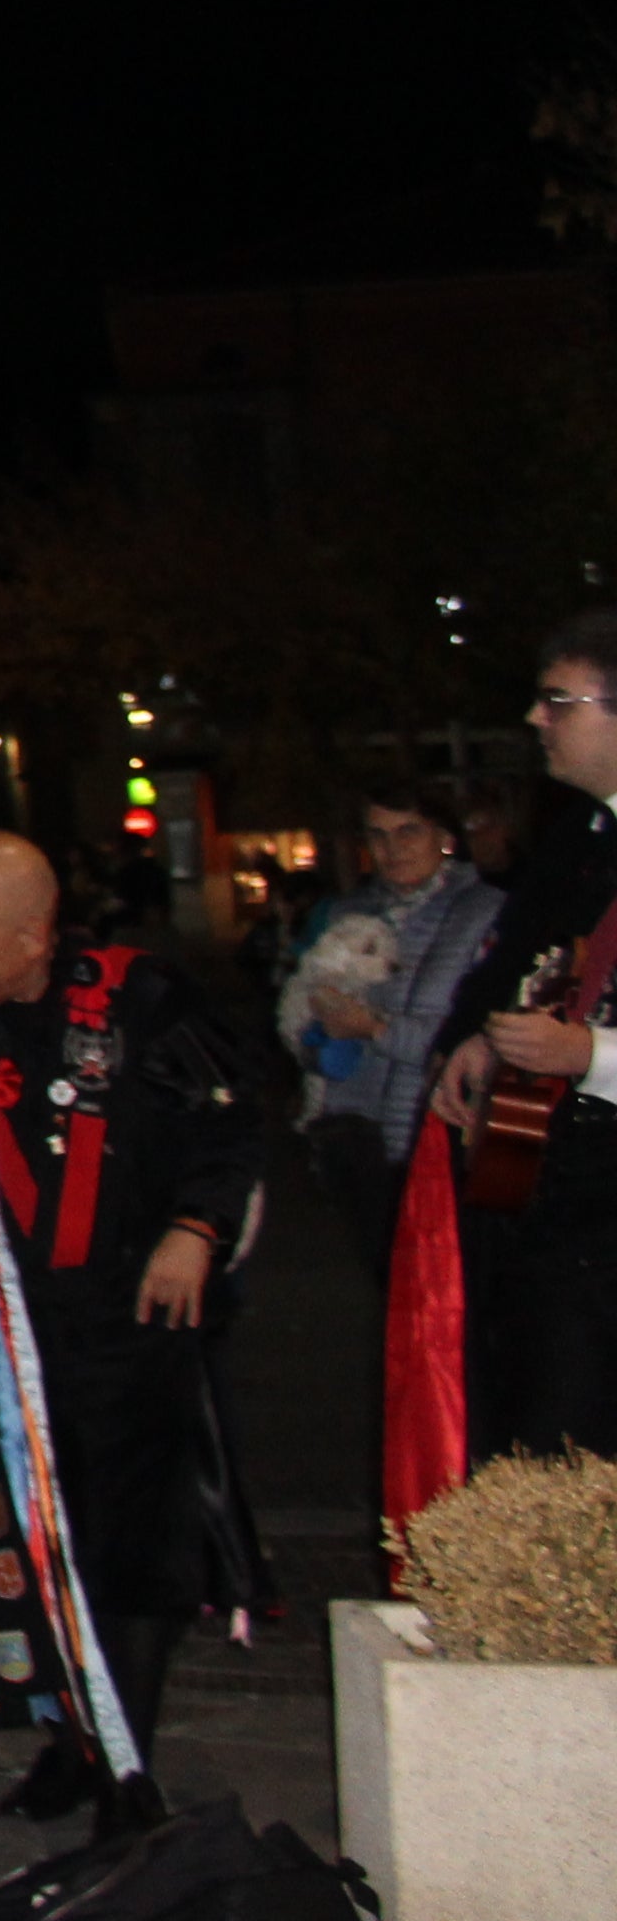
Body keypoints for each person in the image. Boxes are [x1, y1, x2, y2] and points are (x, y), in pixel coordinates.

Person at [0, 835, 286, 1839]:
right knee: (39, 1538)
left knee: (135, 1546)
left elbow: (234, 1120)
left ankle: (129, 1762)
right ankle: (73, 1742)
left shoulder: (139, 996)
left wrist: (196, 1230)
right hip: (15, 1322)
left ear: (34, 932)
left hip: (136, 1310)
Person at [422, 621, 617, 1466]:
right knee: (534, 1414)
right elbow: (516, 960)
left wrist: (591, 1057)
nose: (536, 720)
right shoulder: (579, 837)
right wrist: (475, 1039)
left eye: (558, 701)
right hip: (548, 1178)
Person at [297, 780, 495, 1272]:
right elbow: (299, 1019)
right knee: (386, 1287)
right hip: (356, 1139)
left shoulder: (486, 912)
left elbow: (484, 1039)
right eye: (378, 835)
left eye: (409, 831)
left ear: (444, 837)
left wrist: (376, 1028)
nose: (392, 848)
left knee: (445, 1301)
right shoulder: (346, 912)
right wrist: (315, 1042)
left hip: (440, 1138)